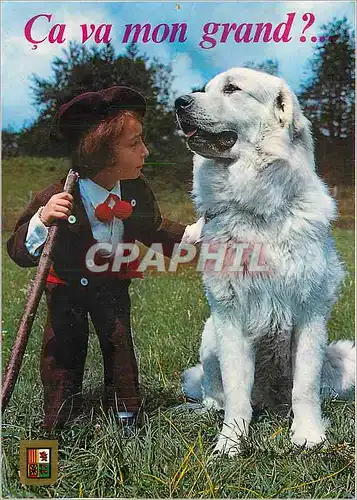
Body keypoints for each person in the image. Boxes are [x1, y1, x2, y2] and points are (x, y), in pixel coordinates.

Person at [7, 86, 187, 430]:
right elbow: (18, 251)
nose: (146, 151)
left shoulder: (135, 189)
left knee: (119, 345)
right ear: (102, 153)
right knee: (62, 350)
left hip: (111, 285)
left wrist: (197, 237)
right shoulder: (58, 195)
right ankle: (57, 421)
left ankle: (126, 416)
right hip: (67, 289)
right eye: (135, 144)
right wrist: (42, 220)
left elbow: (154, 228)